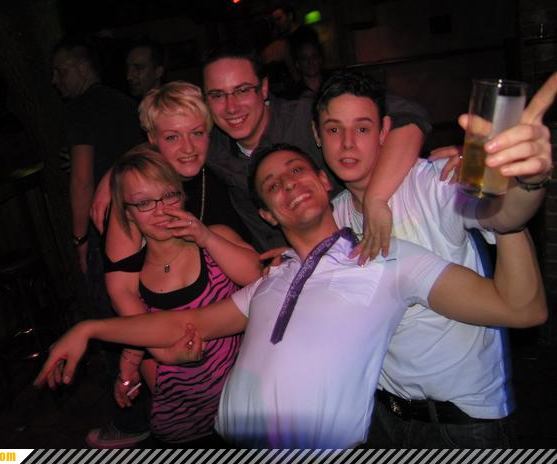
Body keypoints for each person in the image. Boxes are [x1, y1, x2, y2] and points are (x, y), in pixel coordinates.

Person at [35, 144, 547, 449]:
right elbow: (180, 324)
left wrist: (509, 221)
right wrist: (90, 328)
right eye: (272, 185)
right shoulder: (271, 279)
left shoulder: (385, 259)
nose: (288, 185)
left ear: (323, 182)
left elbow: (521, 308)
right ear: (267, 214)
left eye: (297, 171)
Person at [312, 70, 555, 447]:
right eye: (333, 129)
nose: (347, 143)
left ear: (384, 131)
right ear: (316, 135)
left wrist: (527, 180)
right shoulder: (332, 219)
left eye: (362, 128)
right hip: (383, 418)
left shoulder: (431, 180)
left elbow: (504, 215)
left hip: (464, 423)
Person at [87, 81, 250, 448]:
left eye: (197, 133)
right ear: (152, 140)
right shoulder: (138, 196)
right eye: (173, 137)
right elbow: (123, 291)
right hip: (164, 335)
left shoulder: (216, 172)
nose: (188, 147)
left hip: (230, 337)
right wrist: (156, 351)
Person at [202, 42, 431, 258]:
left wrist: (376, 198)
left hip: (381, 232)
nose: (231, 107)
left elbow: (408, 115)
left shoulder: (308, 114)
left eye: (242, 90)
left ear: (263, 88)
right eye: (217, 95)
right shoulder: (211, 149)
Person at [51, 38, 144, 280]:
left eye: (61, 71)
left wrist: (80, 239)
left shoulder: (80, 108)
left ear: (83, 68)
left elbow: (81, 182)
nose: (55, 80)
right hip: (142, 215)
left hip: (106, 224)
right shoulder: (126, 103)